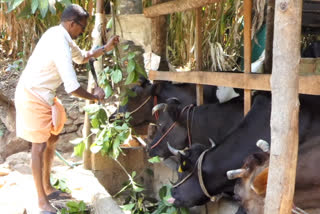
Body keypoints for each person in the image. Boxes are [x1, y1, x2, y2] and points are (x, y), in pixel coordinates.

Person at [14, 4, 119, 214]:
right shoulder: (58, 41)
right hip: (32, 95)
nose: (82, 32)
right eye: (81, 28)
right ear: (72, 24)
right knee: (39, 147)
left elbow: (81, 56)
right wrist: (94, 97)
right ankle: (42, 202)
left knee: (51, 139)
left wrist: (105, 49)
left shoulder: (61, 35)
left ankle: (47, 187)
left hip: (45, 95)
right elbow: (72, 87)